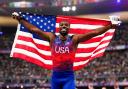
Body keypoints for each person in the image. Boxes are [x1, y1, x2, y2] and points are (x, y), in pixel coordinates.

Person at [12, 12, 120, 89]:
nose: (64, 26)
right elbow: (34, 30)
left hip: (68, 77)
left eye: (66, 25)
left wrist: (110, 26)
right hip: (55, 77)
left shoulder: (74, 39)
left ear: (69, 28)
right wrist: (20, 19)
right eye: (62, 25)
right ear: (59, 27)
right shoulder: (52, 38)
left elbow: (93, 33)